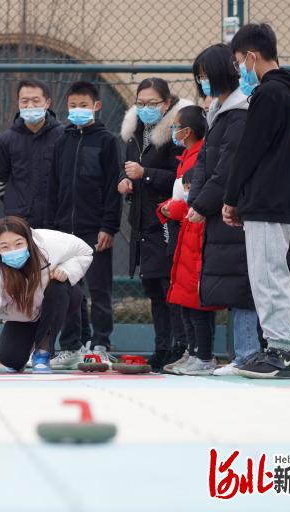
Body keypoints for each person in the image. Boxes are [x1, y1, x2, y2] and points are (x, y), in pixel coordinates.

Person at [223, 24, 290, 379]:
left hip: (267, 200)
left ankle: (280, 351)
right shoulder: (282, 93)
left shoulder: (269, 94)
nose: (241, 69)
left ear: (252, 57)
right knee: (268, 273)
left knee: (267, 275)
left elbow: (249, 150)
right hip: (273, 199)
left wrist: (231, 196)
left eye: (241, 61)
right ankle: (278, 347)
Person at [181, 43, 260, 376]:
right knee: (234, 286)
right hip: (221, 212)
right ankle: (243, 355)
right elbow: (204, 166)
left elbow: (226, 168)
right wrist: (195, 199)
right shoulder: (218, 113)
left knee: (243, 286)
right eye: (198, 77)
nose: (203, 82)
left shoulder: (238, 113)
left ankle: (247, 355)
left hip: (236, 213)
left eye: (205, 74)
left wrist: (202, 203)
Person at [45, 81, 122, 369]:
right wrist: (52, 229)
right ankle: (71, 346)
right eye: (73, 105)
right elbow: (53, 186)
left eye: (83, 105)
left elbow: (113, 188)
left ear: (97, 106)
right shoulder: (61, 142)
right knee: (67, 289)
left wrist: (108, 227)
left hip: (95, 229)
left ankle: (101, 343)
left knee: (99, 289)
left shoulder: (107, 141)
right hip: (64, 231)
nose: (77, 110)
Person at [118, 78, 193, 372]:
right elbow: (130, 171)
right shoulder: (135, 132)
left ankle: (180, 346)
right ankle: (162, 347)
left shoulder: (177, 132)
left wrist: (145, 173)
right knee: (153, 287)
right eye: (141, 102)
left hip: (167, 219)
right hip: (142, 221)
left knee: (168, 286)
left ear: (166, 103)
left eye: (152, 103)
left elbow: (182, 176)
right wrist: (126, 182)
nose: (146, 108)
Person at [0, 217, 93, 373]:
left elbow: (85, 251)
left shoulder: (50, 243)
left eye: (18, 244)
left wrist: (67, 270)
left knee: (60, 285)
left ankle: (43, 352)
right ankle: (29, 344)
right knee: (11, 359)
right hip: (24, 315)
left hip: (55, 302)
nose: (13, 250)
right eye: (5, 246)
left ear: (28, 239)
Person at [158, 105, 221, 375]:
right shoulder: (186, 157)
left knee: (196, 303)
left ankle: (202, 354)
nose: (173, 131)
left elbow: (193, 199)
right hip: (184, 233)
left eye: (176, 126)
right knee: (183, 301)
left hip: (195, 234)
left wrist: (171, 209)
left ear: (189, 131)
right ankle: (191, 351)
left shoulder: (199, 158)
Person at [0, 79, 63, 228]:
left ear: (47, 103)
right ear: (18, 103)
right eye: (24, 101)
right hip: (18, 222)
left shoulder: (64, 136)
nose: (30, 106)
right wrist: (15, 201)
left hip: (57, 219)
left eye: (36, 101)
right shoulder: (5, 140)